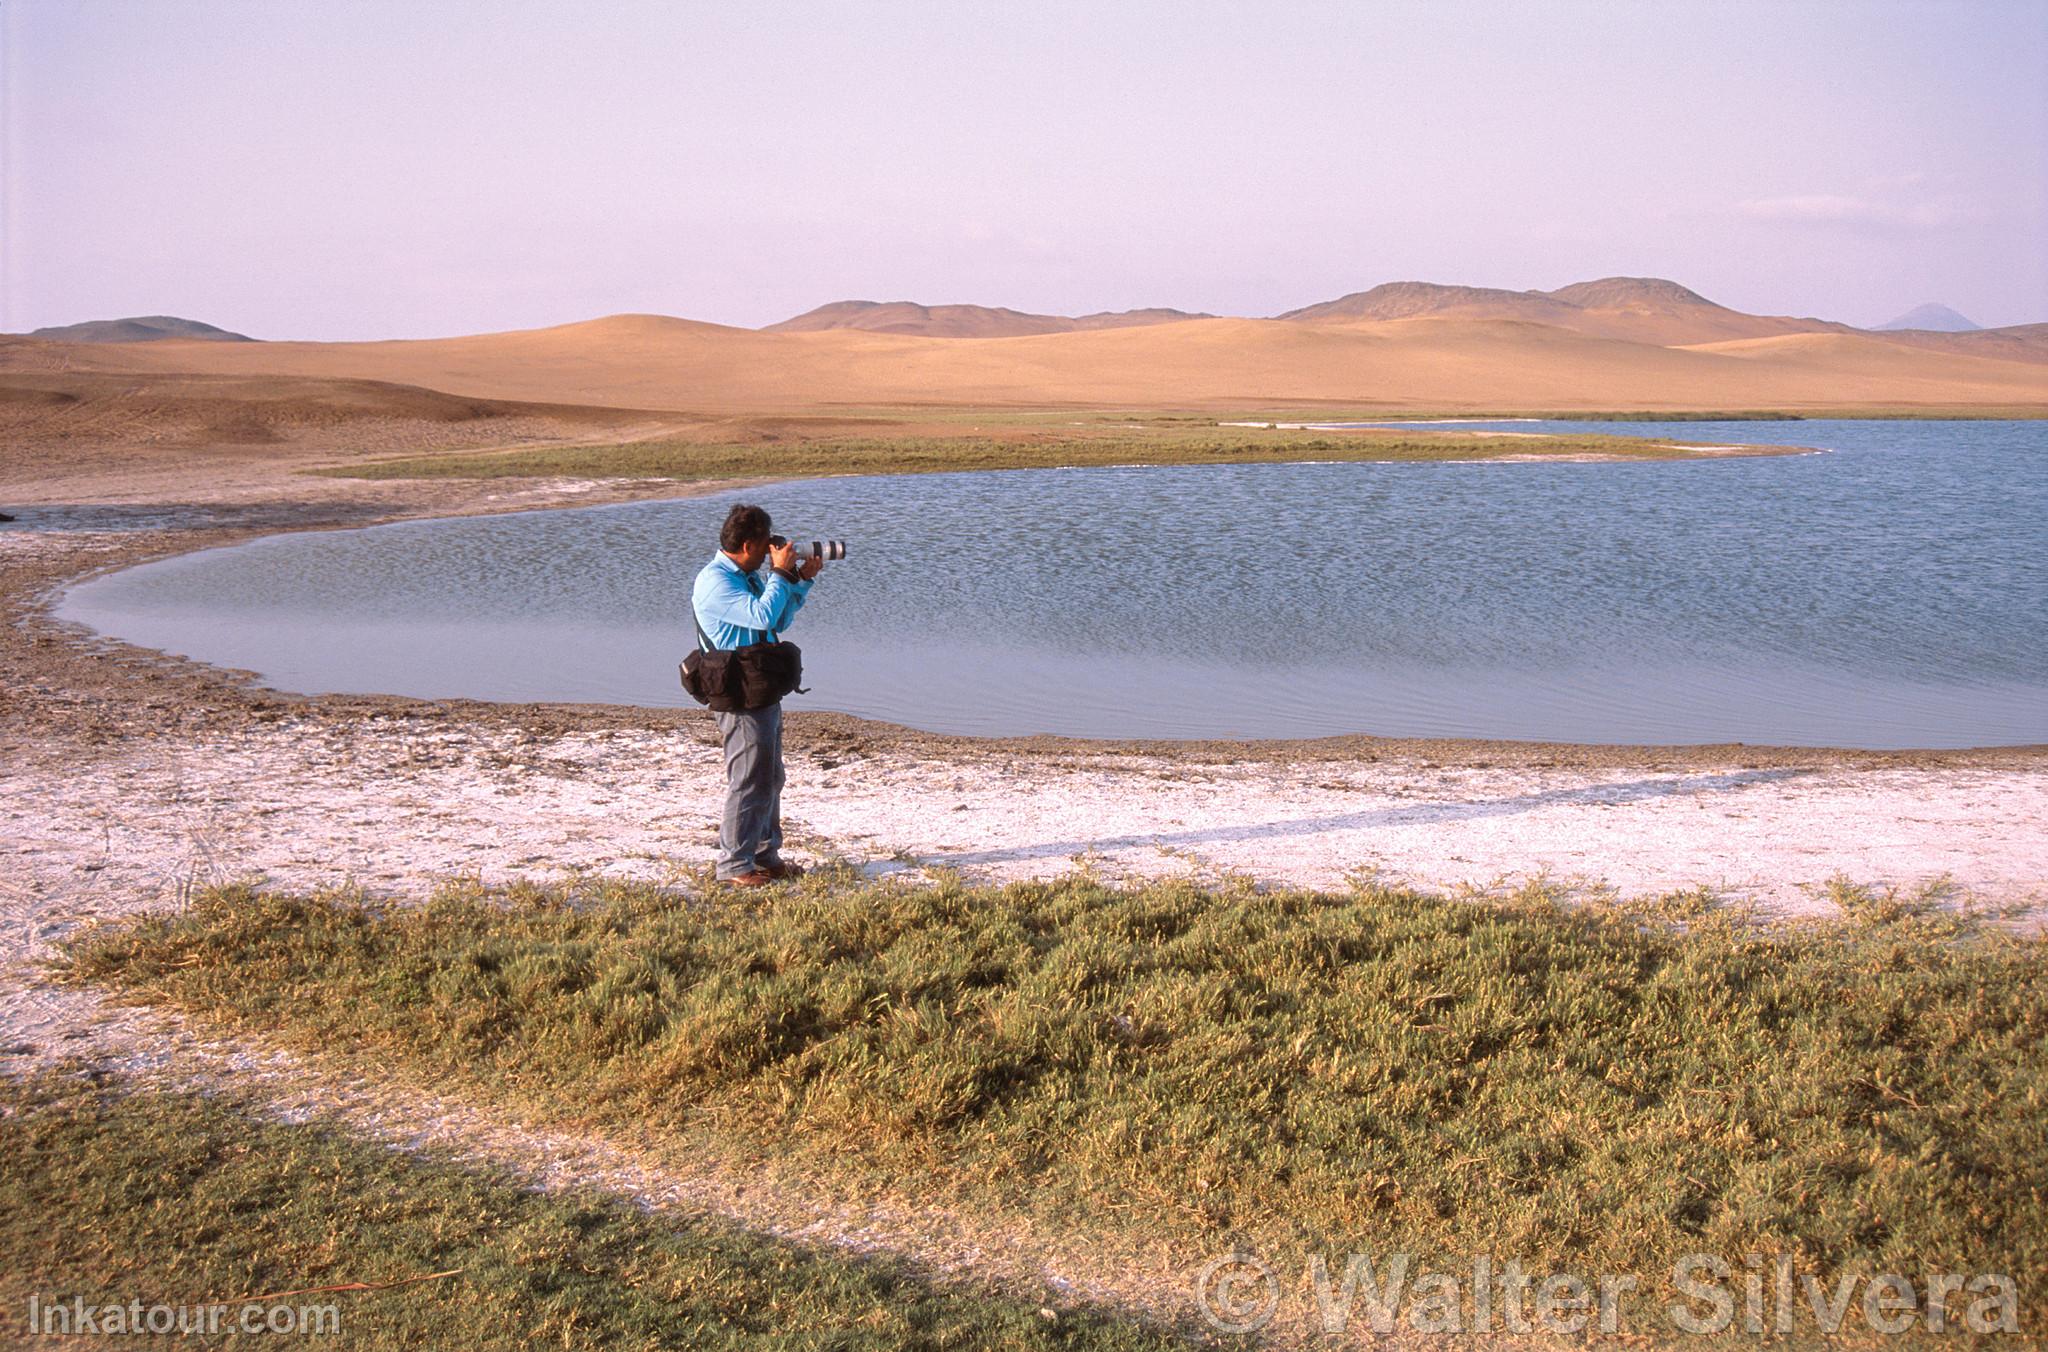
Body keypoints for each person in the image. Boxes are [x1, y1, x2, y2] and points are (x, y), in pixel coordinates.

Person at [691, 503, 823, 887]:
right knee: (749, 779)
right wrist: (780, 572)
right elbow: (764, 616)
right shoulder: (716, 582)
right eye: (766, 543)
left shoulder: (743, 576)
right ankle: (734, 865)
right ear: (748, 544)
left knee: (770, 776)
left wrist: (798, 581)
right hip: (739, 695)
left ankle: (764, 855)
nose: (772, 549)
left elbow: (777, 619)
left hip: (758, 688)